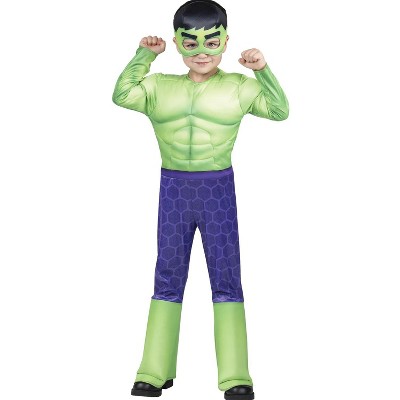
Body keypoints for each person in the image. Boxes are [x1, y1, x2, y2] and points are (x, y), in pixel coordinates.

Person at [112, 1, 289, 399]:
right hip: (174, 188)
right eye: (191, 43)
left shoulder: (239, 86)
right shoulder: (159, 86)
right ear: (177, 43)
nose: (202, 52)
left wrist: (262, 69)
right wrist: (144, 54)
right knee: (167, 275)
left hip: (217, 190)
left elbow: (279, 111)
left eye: (211, 42)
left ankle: (236, 375)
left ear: (225, 41)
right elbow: (121, 95)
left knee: (226, 277)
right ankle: (154, 370)